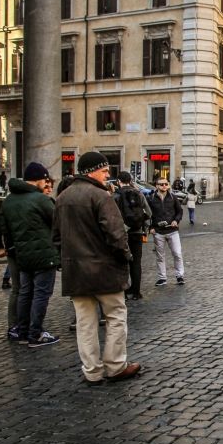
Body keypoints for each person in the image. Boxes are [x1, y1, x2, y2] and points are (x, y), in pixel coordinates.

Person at [53, 152, 141, 385]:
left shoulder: (62, 197)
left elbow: (56, 237)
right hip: (104, 270)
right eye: (104, 171)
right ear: (92, 171)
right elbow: (116, 234)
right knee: (116, 316)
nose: (107, 175)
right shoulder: (100, 196)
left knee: (85, 323)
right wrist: (126, 256)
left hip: (76, 272)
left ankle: (91, 371)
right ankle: (115, 366)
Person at [2, 162, 60, 347]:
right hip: (44, 254)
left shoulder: (10, 200)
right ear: (39, 180)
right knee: (41, 294)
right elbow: (57, 222)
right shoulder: (39, 199)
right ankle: (36, 333)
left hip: (22, 254)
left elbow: (2, 226)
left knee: (25, 293)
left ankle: (23, 331)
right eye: (45, 179)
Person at [114, 171, 152, 301]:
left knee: (122, 262)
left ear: (118, 181)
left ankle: (123, 292)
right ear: (130, 180)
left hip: (122, 234)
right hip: (137, 232)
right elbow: (148, 212)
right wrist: (144, 227)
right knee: (136, 263)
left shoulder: (116, 195)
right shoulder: (139, 193)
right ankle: (136, 292)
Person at [148, 177, 184, 286]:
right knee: (160, 256)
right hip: (158, 232)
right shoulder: (151, 198)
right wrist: (150, 227)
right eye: (161, 184)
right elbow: (148, 215)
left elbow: (180, 211)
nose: (164, 186)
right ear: (157, 186)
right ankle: (162, 278)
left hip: (172, 230)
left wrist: (176, 220)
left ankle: (180, 276)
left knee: (177, 254)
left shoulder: (173, 197)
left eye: (166, 184)